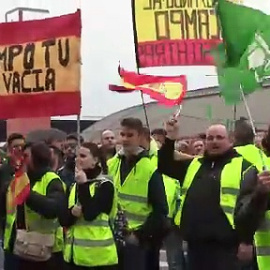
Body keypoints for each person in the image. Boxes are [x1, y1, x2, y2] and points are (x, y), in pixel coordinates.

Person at [158, 117, 253, 270]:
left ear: (231, 140)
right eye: (210, 138)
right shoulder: (195, 164)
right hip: (196, 246)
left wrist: (246, 240)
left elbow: (251, 209)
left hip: (227, 248)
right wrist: (170, 137)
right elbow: (164, 165)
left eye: (219, 138)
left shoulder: (244, 167)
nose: (214, 141)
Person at [107, 118, 168, 270]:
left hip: (136, 241)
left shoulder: (149, 168)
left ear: (140, 137)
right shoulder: (111, 164)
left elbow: (161, 210)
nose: (125, 139)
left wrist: (140, 235)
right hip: (111, 238)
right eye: (122, 134)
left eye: (130, 135)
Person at [1, 142, 66, 270]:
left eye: (25, 156)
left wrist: (27, 194)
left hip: (43, 251)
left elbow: (53, 209)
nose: (22, 159)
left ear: (38, 157)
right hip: (15, 247)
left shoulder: (52, 180)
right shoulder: (19, 178)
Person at [63, 142, 118, 270]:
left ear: (95, 161)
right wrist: (71, 213)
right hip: (74, 255)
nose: (78, 159)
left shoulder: (105, 185)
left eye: (83, 156)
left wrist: (83, 184)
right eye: (77, 156)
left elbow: (90, 214)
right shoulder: (74, 185)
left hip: (99, 258)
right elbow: (63, 219)